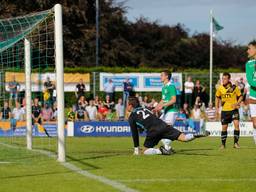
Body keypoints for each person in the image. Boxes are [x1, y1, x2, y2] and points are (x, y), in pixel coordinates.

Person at [128, 97, 210, 155]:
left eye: (127, 104)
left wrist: (136, 148)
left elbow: (134, 134)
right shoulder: (145, 109)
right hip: (163, 125)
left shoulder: (132, 117)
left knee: (144, 151)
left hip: (153, 131)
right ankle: (195, 134)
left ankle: (161, 151)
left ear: (130, 106)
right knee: (184, 138)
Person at [215, 72, 243, 149]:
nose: (223, 80)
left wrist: (237, 103)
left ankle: (236, 143)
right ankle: (223, 144)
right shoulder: (220, 88)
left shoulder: (234, 87)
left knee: (236, 125)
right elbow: (217, 98)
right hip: (225, 111)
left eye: (225, 79)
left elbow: (240, 97)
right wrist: (216, 108)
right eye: (222, 79)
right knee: (224, 128)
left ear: (228, 79)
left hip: (234, 110)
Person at [154, 70, 178, 151]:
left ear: (166, 76)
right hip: (166, 112)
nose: (160, 77)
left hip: (172, 111)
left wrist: (162, 106)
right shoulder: (164, 87)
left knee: (166, 130)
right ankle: (168, 148)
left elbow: (173, 100)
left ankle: (167, 148)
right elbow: (163, 100)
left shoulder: (171, 86)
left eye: (161, 75)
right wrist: (157, 107)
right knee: (157, 128)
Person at [245, 40, 256, 144]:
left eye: (249, 48)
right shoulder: (249, 64)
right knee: (255, 124)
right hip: (253, 97)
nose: (247, 51)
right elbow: (250, 80)